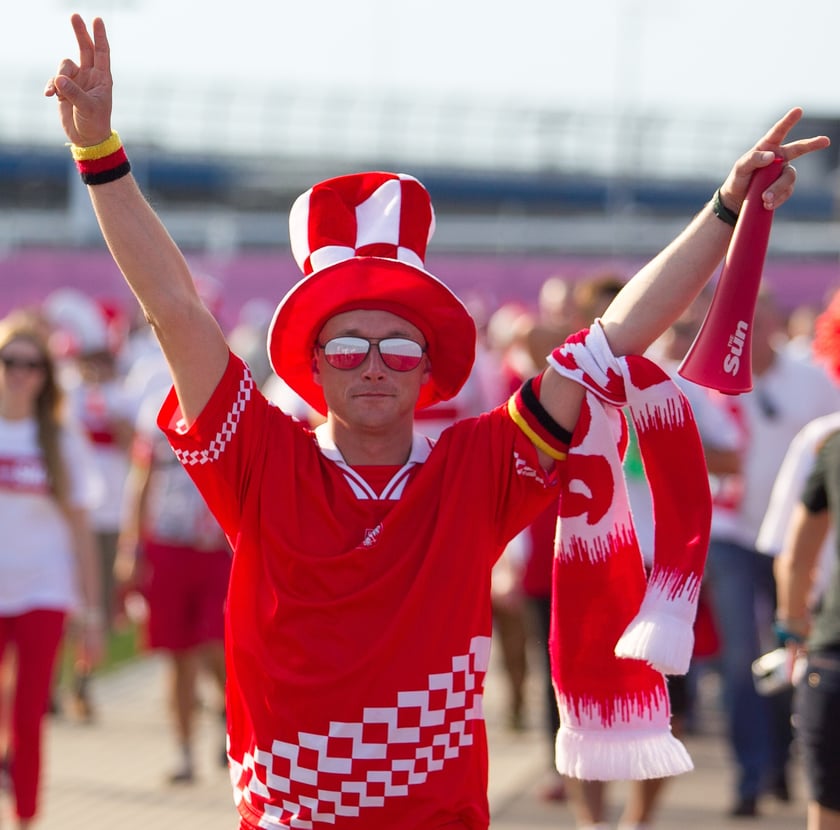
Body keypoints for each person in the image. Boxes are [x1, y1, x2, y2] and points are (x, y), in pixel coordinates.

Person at [45, 14, 828, 829]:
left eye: (398, 345)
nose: (374, 363)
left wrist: (727, 205)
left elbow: (618, 336)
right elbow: (173, 308)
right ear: (311, 368)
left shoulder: (481, 467)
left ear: (430, 369)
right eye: (347, 345)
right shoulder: (257, 458)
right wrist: (100, 154)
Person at [700, 287, 840, 818]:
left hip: (802, 544)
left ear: (776, 325)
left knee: (793, 654)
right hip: (734, 535)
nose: (749, 332)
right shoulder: (707, 381)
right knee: (741, 662)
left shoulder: (815, 381)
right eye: (740, 321)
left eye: (759, 322)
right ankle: (750, 774)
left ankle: (783, 759)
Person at [0, 311, 103, 828]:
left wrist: (91, 612)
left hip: (45, 589)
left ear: (45, 375)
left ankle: (25, 816)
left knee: (29, 714)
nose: (20, 373)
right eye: (10, 361)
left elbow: (82, 534)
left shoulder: (61, 441)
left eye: (31, 365)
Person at [115, 392, 230, 784]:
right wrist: (131, 548)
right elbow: (141, 482)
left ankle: (227, 714)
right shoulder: (156, 409)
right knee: (178, 655)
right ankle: (184, 752)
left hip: (219, 548)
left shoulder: (229, 403)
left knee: (219, 645)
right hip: (167, 545)